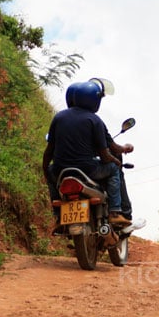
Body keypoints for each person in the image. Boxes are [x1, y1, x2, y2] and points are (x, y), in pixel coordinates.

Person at [42, 78, 131, 231]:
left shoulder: (59, 117)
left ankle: (58, 216)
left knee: (50, 171)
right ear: (94, 100)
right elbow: (104, 155)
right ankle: (115, 212)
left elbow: (49, 150)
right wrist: (115, 162)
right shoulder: (94, 120)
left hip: (61, 170)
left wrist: (45, 168)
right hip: (89, 169)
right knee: (114, 170)